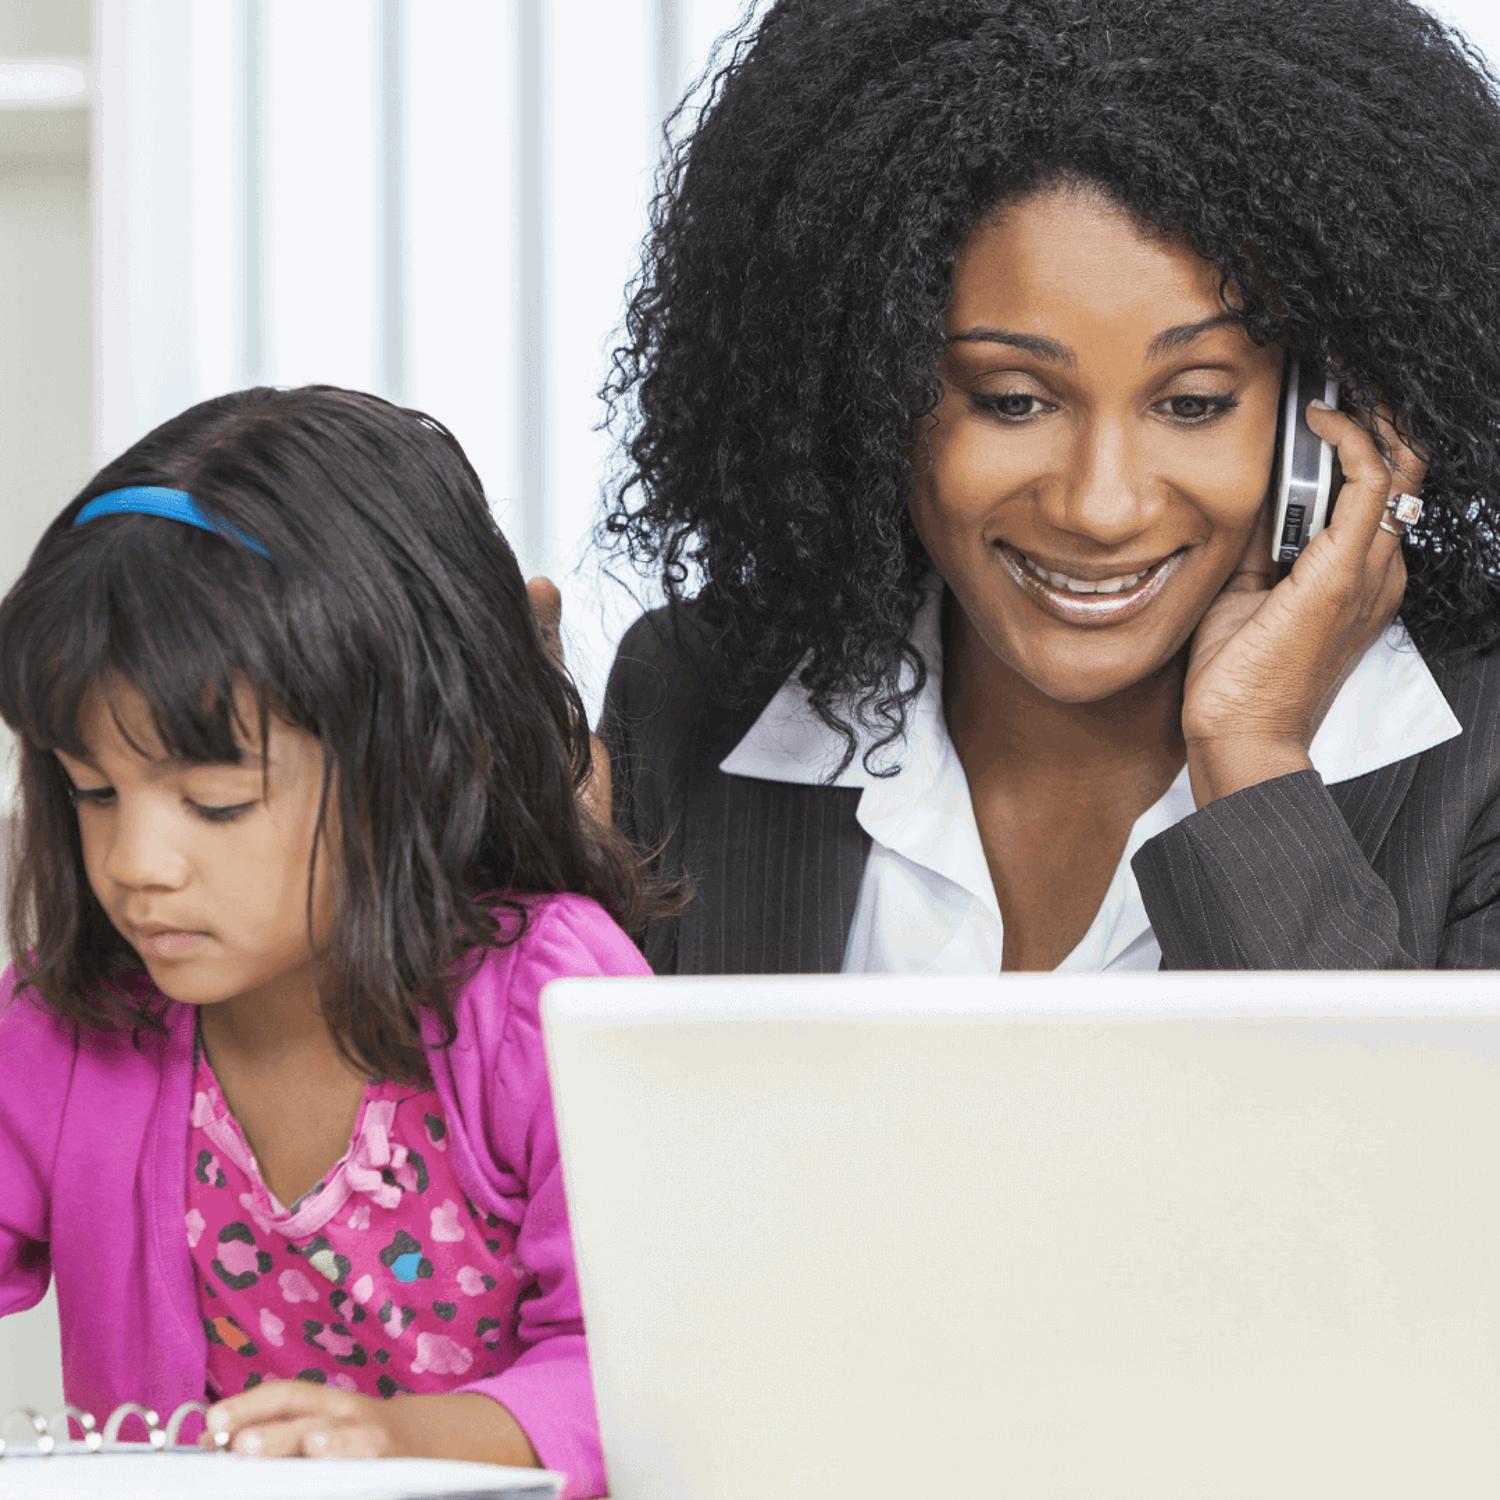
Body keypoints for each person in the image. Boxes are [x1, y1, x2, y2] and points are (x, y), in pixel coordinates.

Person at [598, 0, 1500, 974]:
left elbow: (1389, 1129)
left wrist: (1251, 759)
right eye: (1013, 400)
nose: (1100, 507)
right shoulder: (694, 696)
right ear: (863, 386)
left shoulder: (1481, 758)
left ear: (1332, 408)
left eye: (1193, 403)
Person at [0, 387, 656, 1498]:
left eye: (213, 801)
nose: (135, 863)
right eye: (93, 791)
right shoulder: (71, 1033)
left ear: (419, 756)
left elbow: (648, 1362)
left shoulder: (551, 1002)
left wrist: (406, 1441)